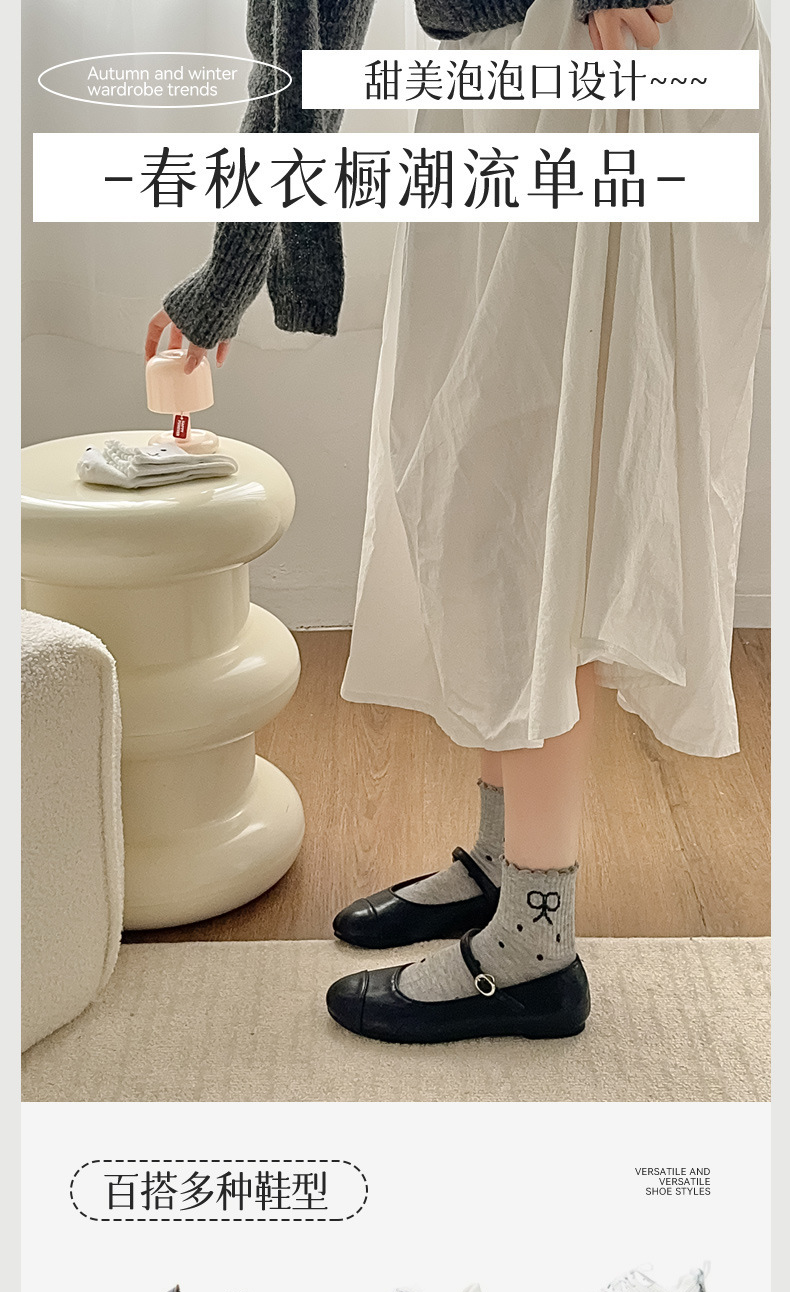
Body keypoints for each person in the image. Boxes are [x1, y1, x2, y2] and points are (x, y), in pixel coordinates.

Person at [146, 0, 770, 1047]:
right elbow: (299, 50)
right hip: (495, 86)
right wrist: (222, 282)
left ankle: (536, 943)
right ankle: (501, 862)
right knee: (478, 500)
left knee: (546, 507)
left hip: (606, 66)